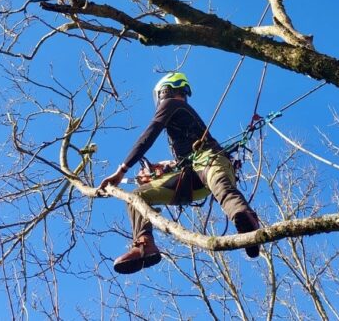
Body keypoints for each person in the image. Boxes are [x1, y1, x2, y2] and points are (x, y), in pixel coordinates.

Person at [98, 72, 261, 275]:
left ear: (164, 91)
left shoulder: (171, 104)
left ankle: (245, 220)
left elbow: (149, 134)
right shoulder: (181, 117)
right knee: (138, 197)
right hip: (190, 178)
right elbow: (183, 159)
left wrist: (122, 170)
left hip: (210, 160)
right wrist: (162, 169)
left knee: (220, 184)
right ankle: (144, 245)